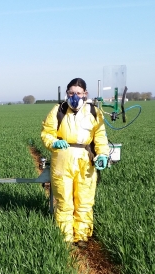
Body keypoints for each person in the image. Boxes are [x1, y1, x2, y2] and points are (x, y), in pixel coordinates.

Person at [41, 78, 109, 248]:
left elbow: (100, 138)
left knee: (84, 200)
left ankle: (82, 236)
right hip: (62, 159)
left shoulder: (94, 112)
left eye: (78, 93)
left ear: (85, 94)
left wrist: (102, 155)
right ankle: (65, 237)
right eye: (71, 93)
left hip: (86, 160)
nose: (75, 96)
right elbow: (47, 133)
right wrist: (53, 142)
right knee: (64, 200)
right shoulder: (59, 110)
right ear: (67, 93)